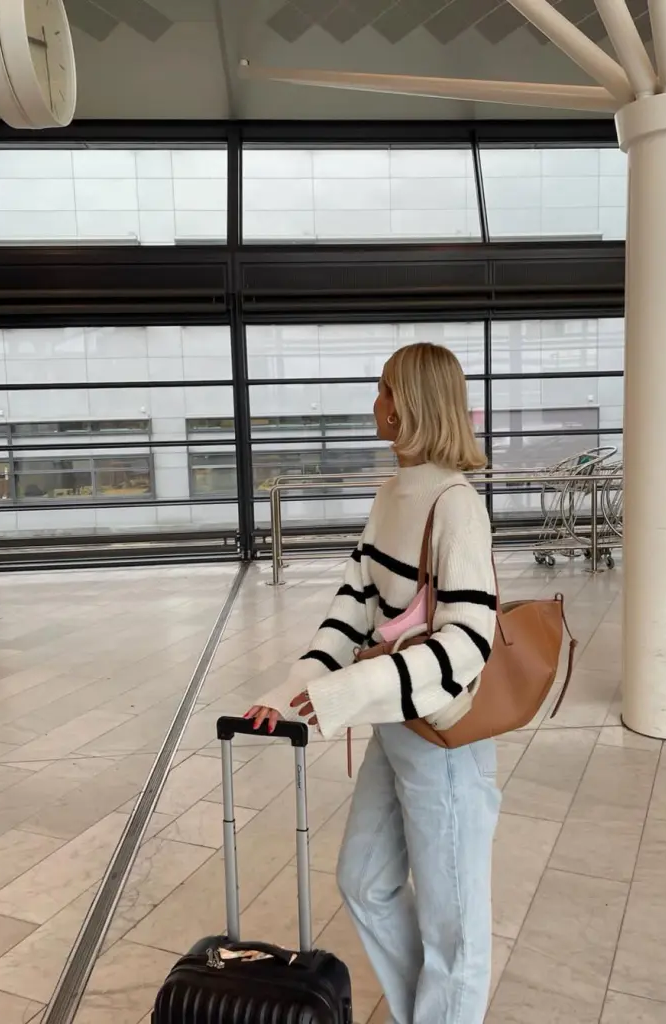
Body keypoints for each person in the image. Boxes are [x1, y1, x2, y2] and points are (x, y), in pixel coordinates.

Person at [245, 342, 500, 1024]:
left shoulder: (456, 505)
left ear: (412, 403)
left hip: (445, 738)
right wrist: (291, 692)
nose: (376, 402)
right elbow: (352, 607)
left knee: (455, 930)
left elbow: (469, 642)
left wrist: (352, 691)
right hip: (396, 724)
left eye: (385, 388)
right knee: (363, 881)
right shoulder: (392, 495)